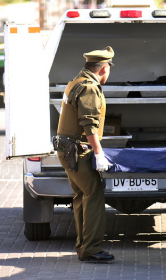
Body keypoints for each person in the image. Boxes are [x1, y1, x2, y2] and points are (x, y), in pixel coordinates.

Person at [55, 46, 115, 263]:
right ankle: (90, 249)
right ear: (103, 68)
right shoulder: (89, 87)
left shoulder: (76, 81)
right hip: (78, 152)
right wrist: (98, 153)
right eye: (108, 68)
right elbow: (88, 124)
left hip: (68, 150)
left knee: (82, 197)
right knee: (93, 196)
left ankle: (83, 246)